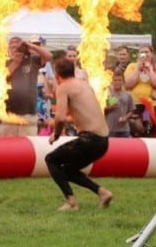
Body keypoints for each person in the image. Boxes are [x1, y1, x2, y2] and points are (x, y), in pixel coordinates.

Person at [45, 58, 113, 211]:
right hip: (103, 141)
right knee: (69, 170)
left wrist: (56, 133)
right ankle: (103, 193)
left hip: (90, 139)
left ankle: (71, 202)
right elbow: (79, 115)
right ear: (73, 71)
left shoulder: (63, 87)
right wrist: (57, 123)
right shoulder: (84, 85)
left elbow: (60, 117)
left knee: (51, 159)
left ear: (57, 75)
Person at [0, 37, 52, 137]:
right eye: (13, 47)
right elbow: (1, 79)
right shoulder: (3, 62)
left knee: (28, 143)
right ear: (8, 49)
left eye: (18, 47)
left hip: (29, 112)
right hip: (8, 113)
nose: (16, 50)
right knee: (6, 144)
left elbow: (48, 56)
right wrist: (16, 62)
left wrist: (31, 46)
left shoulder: (32, 60)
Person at [124, 45, 156, 136]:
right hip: (135, 105)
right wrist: (137, 69)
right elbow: (127, 85)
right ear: (138, 55)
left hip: (150, 105)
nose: (145, 54)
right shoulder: (132, 66)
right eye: (142, 52)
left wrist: (150, 70)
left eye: (147, 52)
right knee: (136, 129)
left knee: (148, 129)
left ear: (152, 54)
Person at [104, 70, 135, 138]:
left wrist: (125, 117)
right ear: (112, 81)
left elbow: (131, 110)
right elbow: (102, 110)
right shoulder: (107, 95)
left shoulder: (128, 95)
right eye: (115, 80)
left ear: (123, 82)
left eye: (119, 80)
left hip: (124, 130)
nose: (117, 82)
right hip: (110, 129)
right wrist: (110, 107)